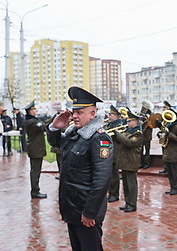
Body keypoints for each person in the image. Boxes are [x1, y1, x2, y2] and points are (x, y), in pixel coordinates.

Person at [46, 86, 113, 251]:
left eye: (80, 112)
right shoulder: (73, 134)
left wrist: (90, 212)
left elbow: (101, 179)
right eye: (73, 112)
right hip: (72, 208)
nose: (74, 116)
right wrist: (55, 127)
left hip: (86, 211)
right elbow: (56, 143)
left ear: (92, 114)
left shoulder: (99, 138)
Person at [115, 109, 143, 212]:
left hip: (132, 161)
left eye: (129, 121)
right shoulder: (127, 131)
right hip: (125, 161)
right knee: (126, 185)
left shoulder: (138, 133)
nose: (127, 123)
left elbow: (129, 142)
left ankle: (132, 204)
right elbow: (120, 142)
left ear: (135, 121)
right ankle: (127, 203)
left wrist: (118, 134)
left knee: (132, 185)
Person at [24, 101, 48, 199]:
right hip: (35, 149)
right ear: (29, 111)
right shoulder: (31, 122)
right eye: (33, 109)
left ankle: (35, 190)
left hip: (36, 149)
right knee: (35, 171)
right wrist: (55, 118)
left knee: (35, 170)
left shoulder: (32, 120)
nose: (35, 111)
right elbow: (43, 126)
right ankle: (35, 191)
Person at [158, 104, 177, 195]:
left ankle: (176, 188)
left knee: (175, 172)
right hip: (167, 152)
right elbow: (163, 138)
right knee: (170, 172)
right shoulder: (168, 126)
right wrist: (160, 135)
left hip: (174, 152)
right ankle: (172, 187)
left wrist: (168, 134)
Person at [104, 105, 123, 203]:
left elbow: (119, 139)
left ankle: (114, 194)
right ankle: (110, 192)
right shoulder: (109, 124)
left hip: (115, 153)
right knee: (108, 175)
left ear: (116, 116)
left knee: (114, 176)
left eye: (111, 114)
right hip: (107, 152)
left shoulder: (119, 125)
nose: (109, 116)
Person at [158, 100, 172, 175]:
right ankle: (165, 168)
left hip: (169, 138)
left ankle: (168, 169)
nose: (163, 109)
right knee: (164, 153)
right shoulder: (163, 116)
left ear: (168, 108)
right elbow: (163, 127)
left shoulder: (170, 115)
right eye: (163, 107)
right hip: (163, 137)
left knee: (167, 154)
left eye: (165, 107)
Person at [139, 100, 154, 169]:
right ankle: (141, 163)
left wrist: (147, 120)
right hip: (141, 136)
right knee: (140, 150)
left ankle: (147, 163)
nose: (143, 108)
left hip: (147, 136)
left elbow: (152, 125)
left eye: (144, 108)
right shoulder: (140, 115)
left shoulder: (151, 116)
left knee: (147, 150)